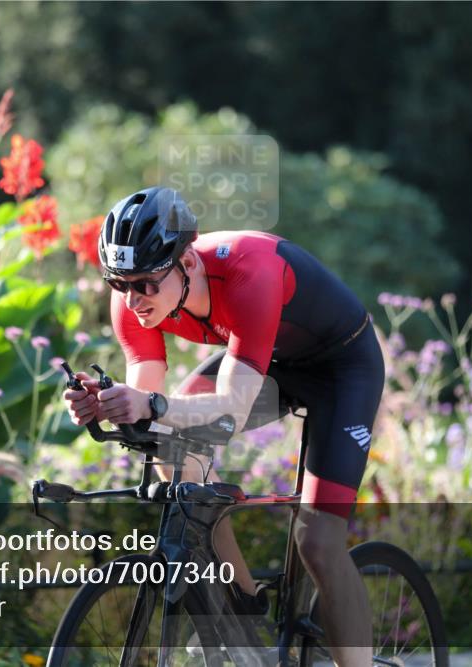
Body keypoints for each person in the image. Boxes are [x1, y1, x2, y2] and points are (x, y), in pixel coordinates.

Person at [63, 186, 385, 667]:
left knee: (317, 541)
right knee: (171, 452)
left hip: (341, 369)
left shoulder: (247, 272)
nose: (132, 300)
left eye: (147, 283)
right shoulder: (133, 304)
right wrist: (104, 407)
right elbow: (153, 415)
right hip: (265, 359)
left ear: (188, 263)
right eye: (119, 283)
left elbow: (231, 408)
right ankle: (243, 616)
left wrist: (149, 403)